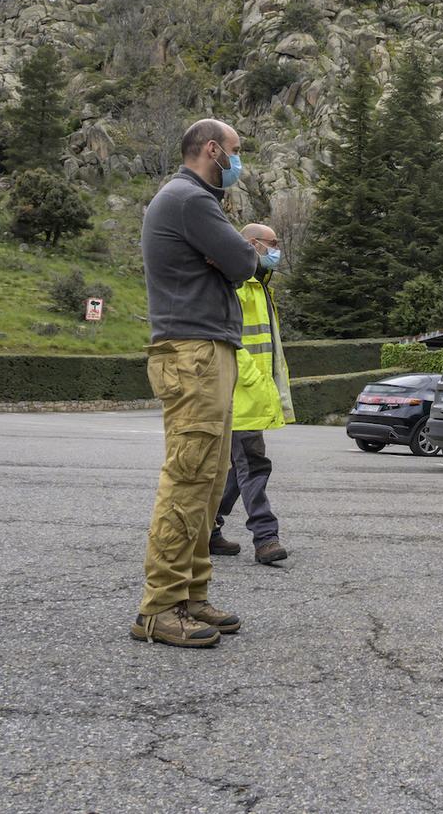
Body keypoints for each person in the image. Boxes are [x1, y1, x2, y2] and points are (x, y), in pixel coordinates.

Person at [132, 118, 271, 649]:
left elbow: (235, 262)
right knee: (189, 478)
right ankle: (159, 608)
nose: (239, 160)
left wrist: (229, 258)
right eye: (236, 150)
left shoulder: (193, 201)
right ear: (212, 150)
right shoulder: (190, 199)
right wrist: (231, 256)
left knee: (210, 481)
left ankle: (191, 595)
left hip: (207, 351)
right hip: (193, 354)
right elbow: (244, 261)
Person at [209, 224, 294, 567]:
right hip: (241, 394)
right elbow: (230, 341)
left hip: (250, 393)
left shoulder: (259, 287)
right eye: (272, 243)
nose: (276, 250)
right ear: (252, 244)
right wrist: (256, 382)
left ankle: (208, 528)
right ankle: (265, 537)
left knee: (238, 468)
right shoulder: (239, 284)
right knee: (254, 463)